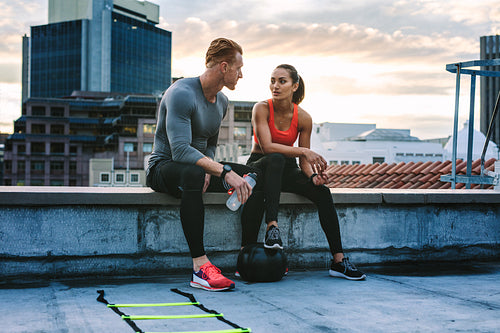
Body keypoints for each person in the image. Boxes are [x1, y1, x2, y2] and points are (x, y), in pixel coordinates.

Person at [147, 38, 264, 291]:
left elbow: (210, 145)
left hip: (199, 170)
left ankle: (246, 256)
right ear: (224, 67)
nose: (241, 75)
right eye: (238, 68)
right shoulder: (181, 93)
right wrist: (221, 171)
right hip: (164, 168)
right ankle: (200, 267)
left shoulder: (222, 102)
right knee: (193, 174)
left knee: (254, 174)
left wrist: (210, 167)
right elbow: (179, 151)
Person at [245, 64, 366, 280]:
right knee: (275, 158)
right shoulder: (261, 108)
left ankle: (338, 261)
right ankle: (272, 228)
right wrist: (304, 151)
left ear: (294, 85)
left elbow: (303, 161)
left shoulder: (303, 118)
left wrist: (312, 176)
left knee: (323, 192)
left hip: (287, 168)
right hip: (261, 166)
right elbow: (267, 147)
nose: (275, 85)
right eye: (273, 80)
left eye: (282, 81)